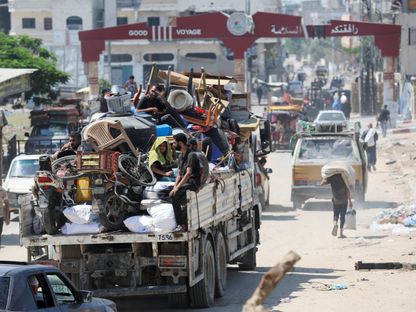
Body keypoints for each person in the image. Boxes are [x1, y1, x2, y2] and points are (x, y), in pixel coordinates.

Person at [169, 133, 207, 231]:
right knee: (168, 192)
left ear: (181, 143)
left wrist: (177, 188)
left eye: (174, 143)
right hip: (185, 182)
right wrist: (174, 186)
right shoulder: (181, 156)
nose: (173, 145)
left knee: (174, 195)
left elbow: (188, 173)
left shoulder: (191, 155)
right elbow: (179, 174)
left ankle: (181, 224)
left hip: (192, 183)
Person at [321, 174, 352, 238]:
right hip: (344, 200)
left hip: (336, 200)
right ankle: (341, 233)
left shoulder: (331, 178)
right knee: (342, 216)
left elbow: (322, 184)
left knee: (335, 215)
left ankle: (335, 224)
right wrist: (350, 201)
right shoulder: (344, 177)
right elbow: (347, 190)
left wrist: (325, 177)